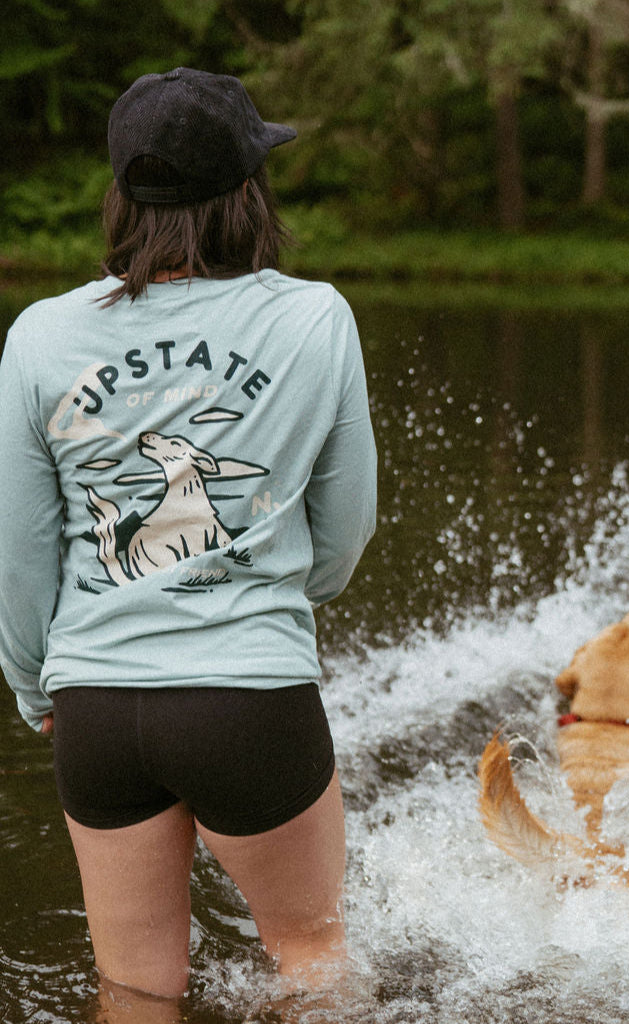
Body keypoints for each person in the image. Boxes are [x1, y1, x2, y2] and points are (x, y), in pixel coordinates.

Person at [0, 67, 377, 1012]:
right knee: (313, 957)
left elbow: (19, 547)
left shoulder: (41, 336)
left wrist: (32, 681)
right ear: (248, 191)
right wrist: (286, 594)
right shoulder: (313, 318)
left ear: (121, 194)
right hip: (249, 694)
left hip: (94, 706)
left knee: (135, 986)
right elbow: (344, 528)